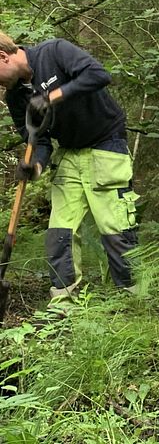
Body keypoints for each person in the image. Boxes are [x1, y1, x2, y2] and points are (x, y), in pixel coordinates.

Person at [0, 30, 138, 302]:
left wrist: (50, 97)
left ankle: (131, 299)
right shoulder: (15, 98)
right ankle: (64, 302)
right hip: (70, 153)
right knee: (59, 233)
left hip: (106, 145)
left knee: (115, 228)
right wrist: (34, 167)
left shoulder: (54, 52)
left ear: (2, 57)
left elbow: (98, 75)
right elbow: (38, 142)